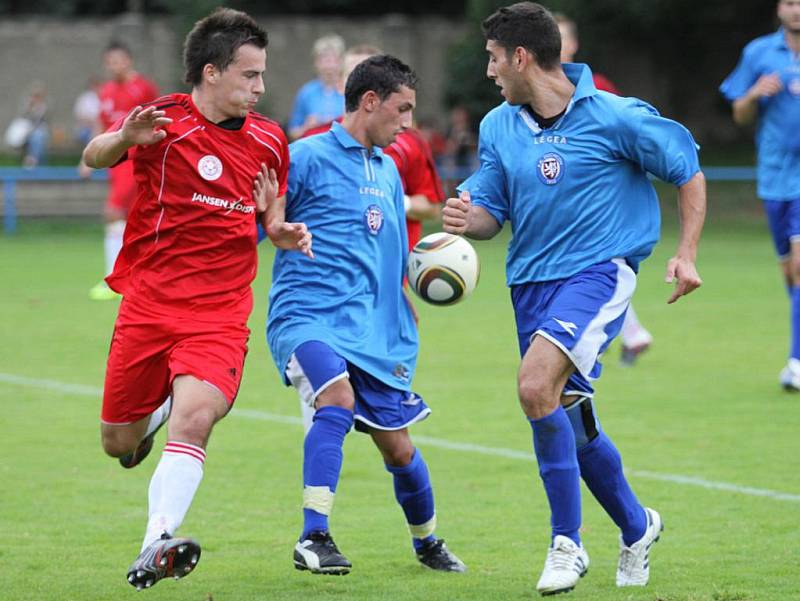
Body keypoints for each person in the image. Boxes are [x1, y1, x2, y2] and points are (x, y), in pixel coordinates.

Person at [443, 3, 705, 595]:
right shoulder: (498, 127)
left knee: (535, 386)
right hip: (529, 286)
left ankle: (568, 542)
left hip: (598, 274)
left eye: (491, 59)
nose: (488, 72)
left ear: (520, 57)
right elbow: (492, 215)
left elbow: (688, 171)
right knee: (569, 417)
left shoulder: (616, 116)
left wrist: (685, 253)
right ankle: (638, 527)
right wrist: (467, 218)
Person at [82, 8, 311, 590]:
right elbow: (94, 156)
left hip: (220, 312)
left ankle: (154, 541)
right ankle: (150, 416)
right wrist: (123, 138)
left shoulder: (268, 139)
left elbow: (271, 205)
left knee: (198, 418)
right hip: (149, 304)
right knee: (119, 442)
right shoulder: (163, 122)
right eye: (250, 75)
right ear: (211, 72)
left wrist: (279, 229)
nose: (260, 88)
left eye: (262, 76)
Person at [266, 54, 466, 576]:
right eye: (402, 110)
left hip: (373, 327)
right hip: (306, 313)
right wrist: (277, 226)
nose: (407, 123)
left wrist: (402, 296)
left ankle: (428, 542)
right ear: (370, 101)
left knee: (399, 448)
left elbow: (387, 244)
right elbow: (268, 216)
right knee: (336, 396)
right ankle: (314, 536)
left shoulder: (388, 168)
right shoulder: (305, 155)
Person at [296, 44, 445, 431]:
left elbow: (431, 205)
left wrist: (388, 203)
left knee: (393, 434)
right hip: (324, 295)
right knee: (329, 403)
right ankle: (320, 477)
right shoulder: (315, 144)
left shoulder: (406, 145)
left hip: (386, 286)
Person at [556, 12, 654, 366]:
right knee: (584, 270)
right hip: (560, 200)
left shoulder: (598, 86)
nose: (557, 45)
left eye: (563, 37)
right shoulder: (531, 97)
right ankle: (619, 333)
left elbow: (623, 137)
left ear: (575, 44)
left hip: (595, 202)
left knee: (590, 267)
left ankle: (618, 334)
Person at [720, 0, 800, 390]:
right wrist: (754, 94)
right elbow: (739, 113)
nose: (797, 8)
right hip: (775, 178)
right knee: (791, 273)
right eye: (790, 2)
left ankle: (797, 362)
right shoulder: (759, 52)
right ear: (779, 8)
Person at [81, 41, 160, 302]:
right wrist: (86, 158)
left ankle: (113, 279)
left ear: (129, 61)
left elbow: (160, 118)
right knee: (130, 217)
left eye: (119, 61)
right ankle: (131, 276)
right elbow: (100, 126)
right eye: (110, 62)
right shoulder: (105, 91)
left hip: (135, 158)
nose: (115, 66)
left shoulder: (143, 87)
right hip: (114, 161)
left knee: (113, 212)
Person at [287, 34, 346, 140]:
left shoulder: (350, 91)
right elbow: (292, 133)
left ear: (341, 62)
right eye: (325, 60)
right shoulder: (306, 92)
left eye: (334, 60)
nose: (329, 65)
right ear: (316, 62)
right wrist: (306, 126)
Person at [73, 76, 101, 147]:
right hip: (86, 128)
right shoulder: (84, 99)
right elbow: (80, 116)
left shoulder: (104, 97)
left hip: (101, 127)